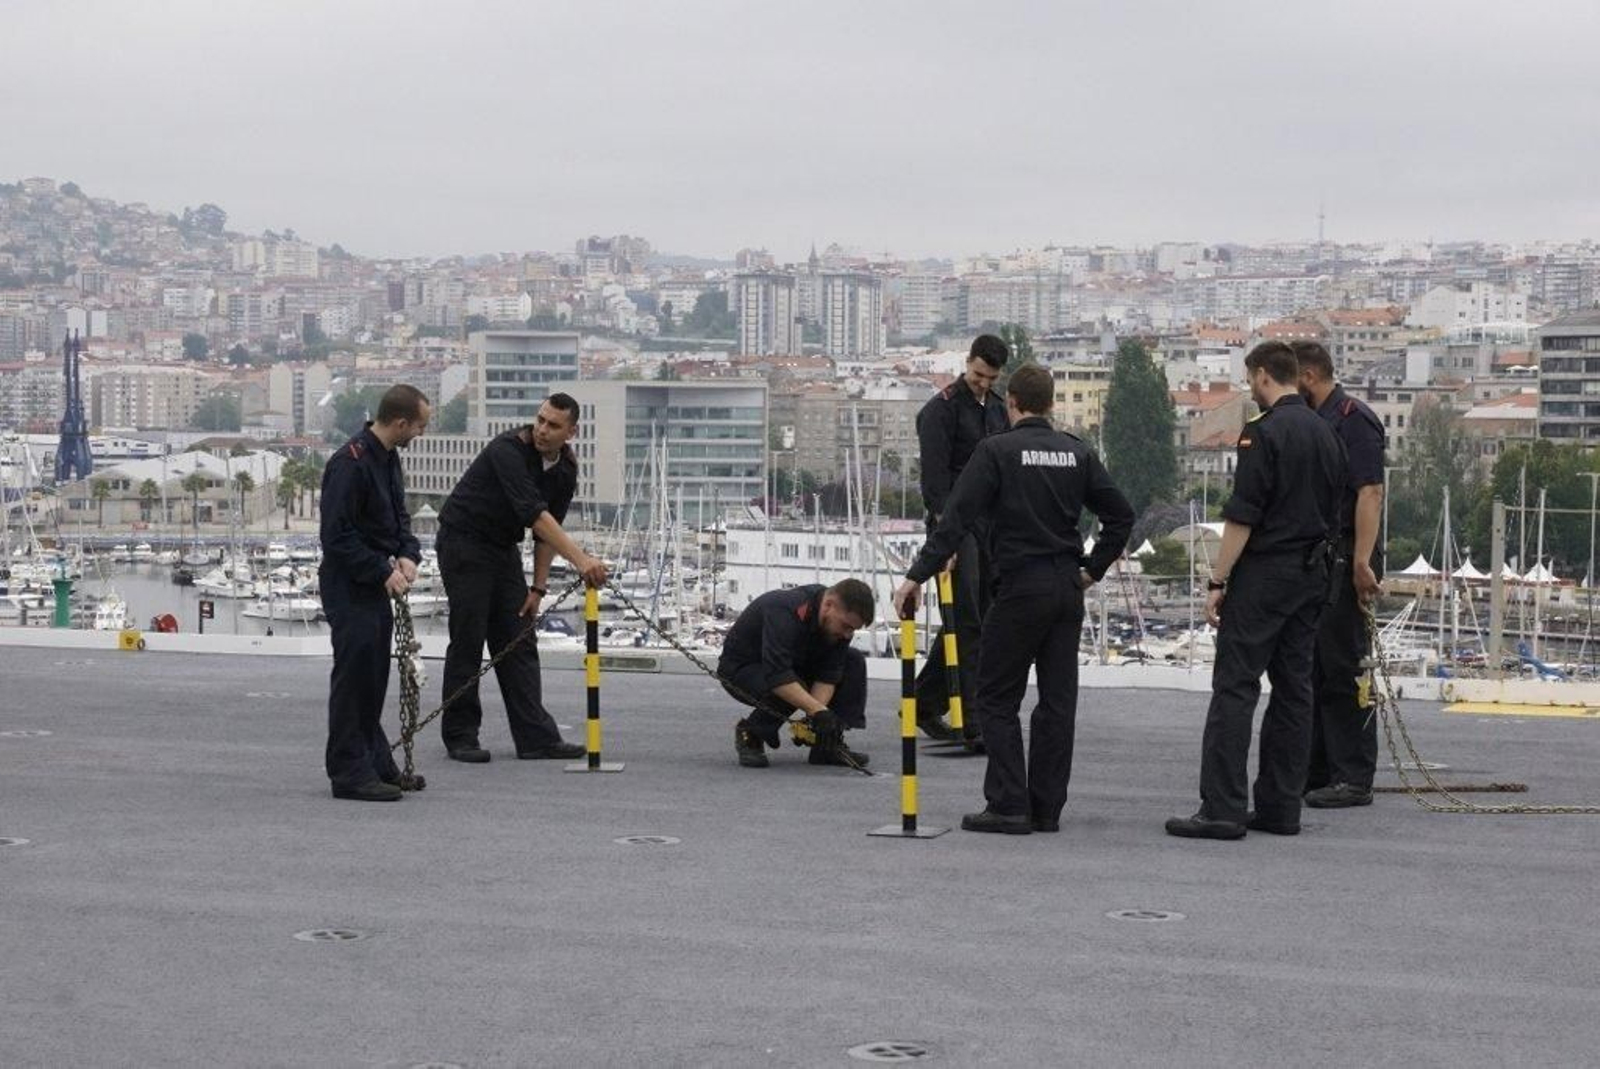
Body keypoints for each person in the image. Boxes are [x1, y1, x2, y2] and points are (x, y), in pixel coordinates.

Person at [893, 365, 1134, 834]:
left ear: (1012, 404)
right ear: (1051, 404)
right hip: (1066, 589)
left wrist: (917, 576)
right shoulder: (1077, 452)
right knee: (1057, 704)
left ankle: (1008, 805)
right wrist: (1092, 569)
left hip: (1020, 588)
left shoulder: (996, 451)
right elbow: (1121, 516)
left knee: (996, 696)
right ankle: (1046, 809)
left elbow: (955, 520)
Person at [1166, 342, 1346, 841]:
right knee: (1294, 691)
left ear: (1264, 375)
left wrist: (1217, 580)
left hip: (1266, 575)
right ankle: (1281, 807)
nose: (1251, 388)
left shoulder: (1262, 432)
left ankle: (1222, 808)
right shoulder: (1327, 432)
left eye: (1251, 380)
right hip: (1312, 575)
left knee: (1236, 687)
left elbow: (1242, 517)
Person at [435, 393, 609, 763]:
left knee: (519, 638)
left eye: (553, 425)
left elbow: (548, 530)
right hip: (464, 541)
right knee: (469, 638)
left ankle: (535, 738)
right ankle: (461, 735)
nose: (542, 430)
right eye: (540, 420)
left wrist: (538, 588)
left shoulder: (565, 469)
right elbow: (534, 515)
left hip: (502, 547)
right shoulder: (508, 450)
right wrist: (582, 561)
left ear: (571, 432)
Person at [319, 384, 431, 802]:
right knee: (354, 680)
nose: (420, 433)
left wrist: (408, 554)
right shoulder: (349, 463)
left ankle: (376, 762)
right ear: (400, 423)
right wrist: (382, 569)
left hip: (375, 583)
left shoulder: (387, 459)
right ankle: (349, 771)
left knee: (373, 678)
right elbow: (336, 536)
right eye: (419, 426)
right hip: (349, 585)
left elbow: (398, 519)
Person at [1294, 340, 1387, 809]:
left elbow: (1370, 492)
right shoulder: (1317, 420)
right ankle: (1319, 771)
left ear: (1309, 377)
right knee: (1314, 667)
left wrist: (1361, 562)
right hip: (1322, 556)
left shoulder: (1353, 419)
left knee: (1345, 668)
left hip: (1348, 556)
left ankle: (1352, 775)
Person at [913, 333, 1009, 747]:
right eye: (978, 375)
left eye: (990, 378)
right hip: (954, 525)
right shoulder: (941, 410)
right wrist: (946, 542)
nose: (982, 384)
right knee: (968, 619)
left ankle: (923, 702)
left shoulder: (998, 409)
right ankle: (971, 720)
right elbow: (935, 485)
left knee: (981, 619)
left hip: (990, 526)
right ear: (967, 362)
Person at [720, 579, 876, 769]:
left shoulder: (837, 626)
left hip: (792, 667)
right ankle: (751, 732)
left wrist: (816, 718)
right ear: (828, 605)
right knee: (791, 684)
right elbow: (778, 674)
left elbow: (828, 675)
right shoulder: (784, 609)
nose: (848, 635)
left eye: (853, 629)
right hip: (743, 669)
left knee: (853, 661)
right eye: (846, 626)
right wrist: (818, 711)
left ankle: (825, 745)